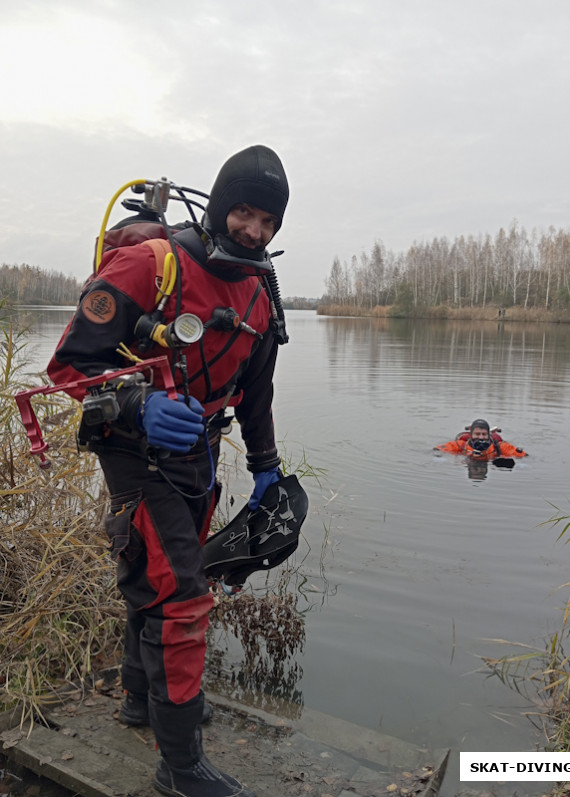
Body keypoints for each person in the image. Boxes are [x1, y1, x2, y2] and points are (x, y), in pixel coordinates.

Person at [47, 145, 291, 797]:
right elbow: (68, 366)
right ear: (219, 205)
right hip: (133, 446)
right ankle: (180, 766)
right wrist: (138, 403)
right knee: (182, 594)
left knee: (155, 576)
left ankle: (140, 698)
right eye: (244, 212)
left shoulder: (260, 289)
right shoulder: (150, 265)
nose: (255, 230)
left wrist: (266, 467)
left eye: (268, 221)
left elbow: (256, 392)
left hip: (199, 449)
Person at [435, 418, 527, 461]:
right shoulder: (462, 445)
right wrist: (439, 458)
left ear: (489, 435)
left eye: (484, 434)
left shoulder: (497, 447)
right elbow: (437, 450)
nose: (481, 437)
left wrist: (521, 464)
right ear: (471, 435)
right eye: (477, 434)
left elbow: (522, 455)